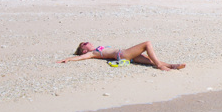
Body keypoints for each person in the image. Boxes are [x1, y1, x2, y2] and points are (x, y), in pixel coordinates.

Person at [57, 41, 186, 70]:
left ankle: (172, 66)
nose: (87, 42)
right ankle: (160, 66)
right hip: (122, 54)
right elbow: (80, 58)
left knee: (150, 60)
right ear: (84, 50)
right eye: (84, 44)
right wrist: (68, 59)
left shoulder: (97, 48)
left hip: (125, 55)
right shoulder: (91, 53)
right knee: (147, 44)